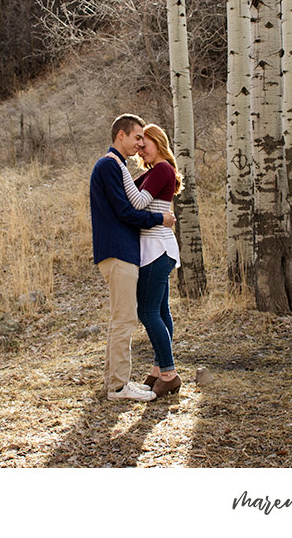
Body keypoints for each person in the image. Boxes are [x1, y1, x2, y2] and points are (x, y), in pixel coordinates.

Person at [89, 113, 176, 402]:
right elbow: (127, 211)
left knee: (130, 317)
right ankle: (118, 386)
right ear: (121, 135)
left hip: (130, 251)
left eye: (144, 139)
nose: (140, 144)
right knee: (125, 319)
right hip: (119, 251)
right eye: (137, 137)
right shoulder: (111, 165)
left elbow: (130, 206)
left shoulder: (120, 167)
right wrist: (160, 218)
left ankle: (118, 382)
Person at [111, 122, 184, 399]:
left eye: (145, 144)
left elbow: (138, 203)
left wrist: (119, 167)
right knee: (162, 312)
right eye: (138, 145)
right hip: (159, 248)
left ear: (158, 141)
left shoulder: (162, 169)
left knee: (147, 312)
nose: (140, 149)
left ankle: (168, 373)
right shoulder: (156, 172)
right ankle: (157, 371)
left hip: (156, 249)